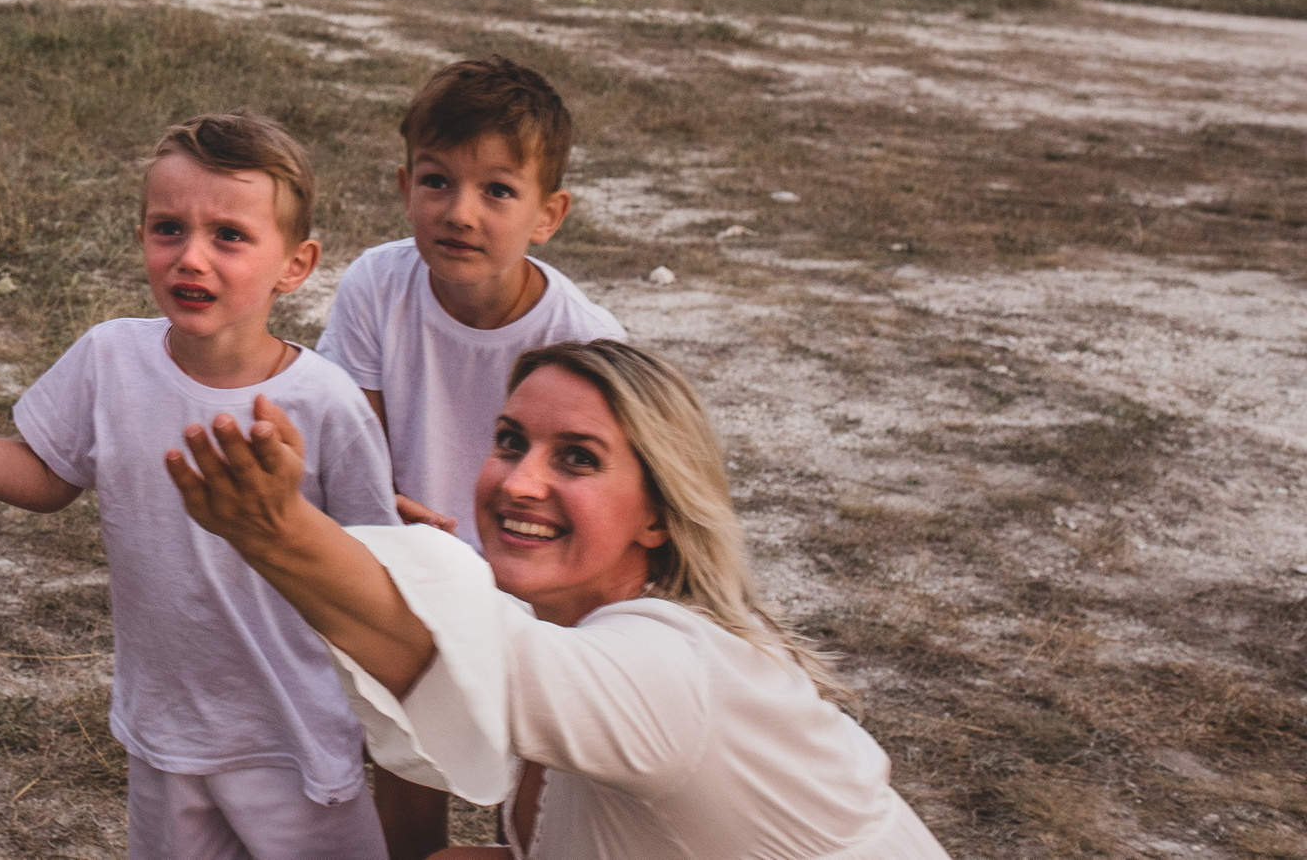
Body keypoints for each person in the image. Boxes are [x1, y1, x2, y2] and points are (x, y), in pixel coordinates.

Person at [168, 341, 951, 860]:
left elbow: (457, 655)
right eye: (510, 440)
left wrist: (281, 530)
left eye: (576, 457)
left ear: (658, 514)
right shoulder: (591, 642)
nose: (517, 480)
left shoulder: (673, 670)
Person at [0, 114, 399, 859]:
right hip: (164, 733)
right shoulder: (111, 357)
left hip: (294, 739)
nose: (191, 257)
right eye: (168, 228)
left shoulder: (324, 403)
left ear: (296, 264)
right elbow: (49, 474)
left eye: (230, 236)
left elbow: (379, 576)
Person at [316, 59, 624, 857]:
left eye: (497, 190)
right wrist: (386, 510)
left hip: (536, 575)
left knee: (529, 793)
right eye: (436, 180)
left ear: (548, 213)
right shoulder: (377, 286)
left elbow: (599, 500)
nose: (460, 212)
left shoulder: (587, 341)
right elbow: (353, 441)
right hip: (410, 561)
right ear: (403, 183)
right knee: (405, 749)